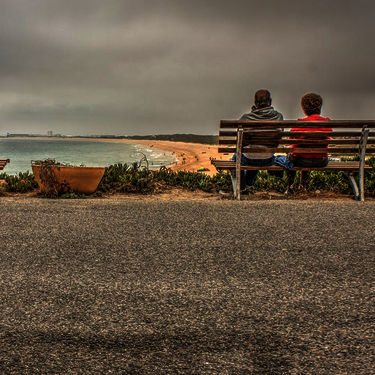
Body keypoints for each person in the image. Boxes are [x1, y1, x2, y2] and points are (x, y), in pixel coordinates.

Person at [230, 89, 284, 193]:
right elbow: (279, 139)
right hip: (268, 159)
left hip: (249, 159)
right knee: (256, 154)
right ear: (270, 102)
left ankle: (241, 188)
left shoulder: (246, 118)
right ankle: (249, 182)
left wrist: (253, 112)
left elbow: (239, 141)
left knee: (236, 157)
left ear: (255, 102)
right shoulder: (278, 117)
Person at [286, 93, 332, 192]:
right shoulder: (327, 122)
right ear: (320, 107)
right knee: (308, 153)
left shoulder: (300, 123)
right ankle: (303, 186)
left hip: (300, 160)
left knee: (292, 156)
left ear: (304, 109)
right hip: (321, 161)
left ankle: (290, 187)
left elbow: (290, 136)